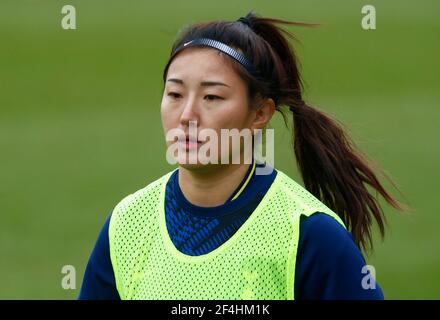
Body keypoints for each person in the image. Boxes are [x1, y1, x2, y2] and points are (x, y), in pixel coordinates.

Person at [79, 11, 406, 300]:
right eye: (175, 94)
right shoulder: (128, 224)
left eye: (212, 97)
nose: (187, 115)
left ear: (260, 113)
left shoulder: (309, 235)